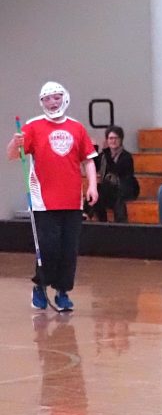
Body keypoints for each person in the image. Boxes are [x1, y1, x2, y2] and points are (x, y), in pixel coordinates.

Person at [6, 82, 98, 312]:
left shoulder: (77, 128)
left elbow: (88, 160)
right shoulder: (33, 126)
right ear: (42, 102)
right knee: (49, 248)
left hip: (72, 201)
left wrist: (93, 186)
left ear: (64, 98)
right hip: (43, 202)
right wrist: (13, 143)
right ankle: (40, 286)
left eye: (56, 97)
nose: (53, 102)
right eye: (47, 99)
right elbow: (12, 155)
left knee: (69, 250)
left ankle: (62, 292)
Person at [87, 125, 138, 223]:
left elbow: (115, 170)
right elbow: (94, 166)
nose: (113, 141)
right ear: (107, 140)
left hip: (125, 188)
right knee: (96, 191)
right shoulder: (104, 156)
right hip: (109, 190)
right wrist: (94, 147)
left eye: (116, 138)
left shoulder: (126, 157)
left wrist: (106, 153)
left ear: (121, 140)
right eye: (111, 138)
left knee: (100, 189)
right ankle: (102, 221)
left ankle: (88, 213)